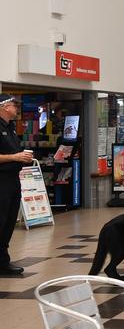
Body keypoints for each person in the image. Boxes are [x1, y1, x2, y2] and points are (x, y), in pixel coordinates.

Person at [0, 94, 32, 275]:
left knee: (8, 223)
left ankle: (3, 261)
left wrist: (22, 157)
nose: (16, 108)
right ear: (4, 107)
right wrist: (14, 157)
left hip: (13, 181)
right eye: (14, 105)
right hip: (1, 182)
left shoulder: (10, 127)